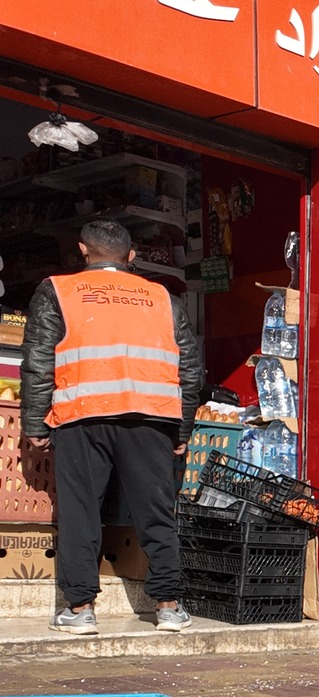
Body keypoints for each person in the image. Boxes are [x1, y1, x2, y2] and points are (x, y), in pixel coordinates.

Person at [19, 220, 202, 635]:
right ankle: (169, 606)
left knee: (81, 512)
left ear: (83, 251)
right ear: (131, 257)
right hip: (151, 418)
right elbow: (190, 369)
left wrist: (34, 423)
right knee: (156, 511)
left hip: (82, 415)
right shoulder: (163, 298)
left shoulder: (58, 290)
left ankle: (80, 609)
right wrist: (183, 430)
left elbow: (38, 362)